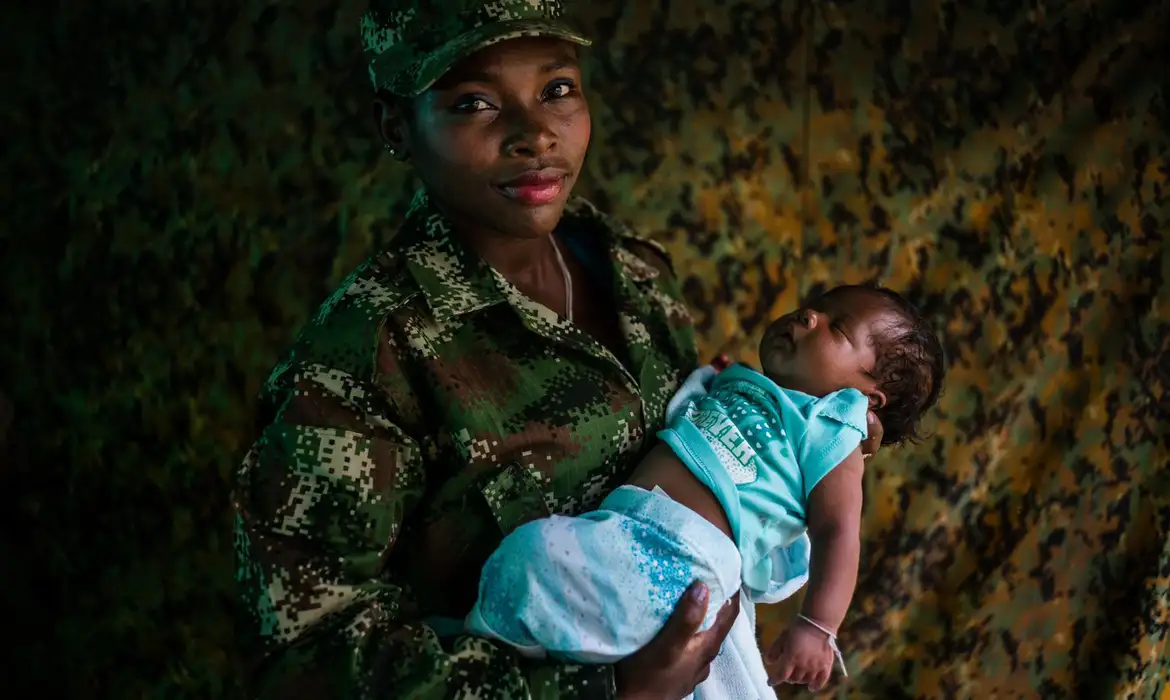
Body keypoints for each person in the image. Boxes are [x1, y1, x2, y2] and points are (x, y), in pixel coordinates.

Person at [230, 2, 887, 699]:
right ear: (397, 125)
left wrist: (809, 435)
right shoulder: (364, 356)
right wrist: (609, 690)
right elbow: (307, 653)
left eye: (557, 89)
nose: (535, 133)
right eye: (474, 102)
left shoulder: (636, 276)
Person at [466, 285, 946, 698]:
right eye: (814, 306)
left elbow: (837, 530)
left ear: (865, 398)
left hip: (683, 555)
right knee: (534, 564)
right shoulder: (740, 383)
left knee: (535, 557)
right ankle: (510, 651)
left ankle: (496, 643)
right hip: (628, 529)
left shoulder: (832, 431)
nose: (808, 316)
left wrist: (818, 627)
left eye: (837, 329)